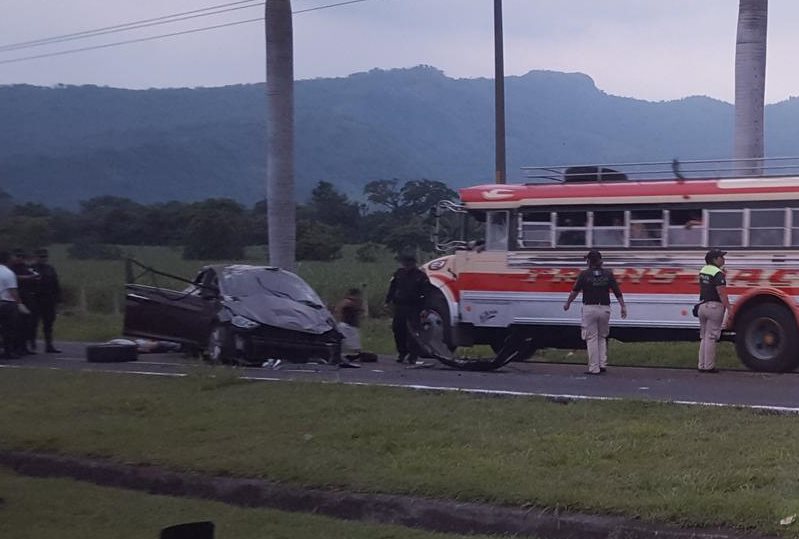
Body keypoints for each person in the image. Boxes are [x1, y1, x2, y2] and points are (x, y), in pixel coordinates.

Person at [563, 250, 627, 375]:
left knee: (591, 338)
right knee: (602, 337)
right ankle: (602, 364)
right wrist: (623, 306)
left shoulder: (584, 275)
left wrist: (568, 303)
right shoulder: (608, 274)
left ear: (588, 261)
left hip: (590, 309)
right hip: (605, 309)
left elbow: (574, 291)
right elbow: (617, 291)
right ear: (600, 261)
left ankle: (594, 368)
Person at [385, 253, 429, 364]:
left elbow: (426, 293)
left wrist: (425, 308)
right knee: (398, 329)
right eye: (405, 263)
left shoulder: (421, 276)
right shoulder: (399, 274)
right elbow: (392, 288)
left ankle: (413, 355)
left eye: (409, 263)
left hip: (414, 307)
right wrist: (388, 301)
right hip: (400, 306)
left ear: (414, 264)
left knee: (413, 332)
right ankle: (402, 352)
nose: (406, 265)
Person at [697, 248, 731, 373]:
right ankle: (709, 366)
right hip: (714, 307)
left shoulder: (703, 270)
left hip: (702, 306)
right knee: (711, 337)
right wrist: (729, 308)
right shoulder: (718, 273)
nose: (723, 259)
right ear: (715, 259)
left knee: (704, 337)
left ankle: (701, 365)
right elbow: (721, 294)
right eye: (721, 257)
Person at [31, 248, 62, 353]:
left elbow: (56, 284)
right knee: (33, 323)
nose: (43, 259)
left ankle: (49, 345)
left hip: (49, 300)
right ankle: (32, 344)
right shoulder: (31, 268)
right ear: (36, 257)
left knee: (48, 323)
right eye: (41, 257)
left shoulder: (50, 269)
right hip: (35, 299)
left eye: (44, 257)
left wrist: (58, 299)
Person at [9, 249, 38, 355]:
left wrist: (34, 277)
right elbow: (16, 278)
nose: (19, 259)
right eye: (18, 256)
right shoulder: (10, 268)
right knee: (17, 323)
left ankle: (24, 346)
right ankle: (16, 347)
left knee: (27, 323)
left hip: (27, 296)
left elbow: (34, 276)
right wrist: (29, 277)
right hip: (16, 297)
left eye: (21, 257)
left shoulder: (25, 267)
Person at [0, 251, 22, 359]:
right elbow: (13, 291)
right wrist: (20, 304)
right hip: (6, 303)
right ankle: (8, 351)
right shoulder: (8, 273)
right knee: (9, 329)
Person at [335, 288, 365, 361]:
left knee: (354, 345)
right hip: (346, 325)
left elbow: (362, 312)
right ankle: (344, 356)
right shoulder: (347, 302)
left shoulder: (357, 302)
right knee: (348, 344)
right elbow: (338, 310)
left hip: (352, 326)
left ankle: (350, 356)